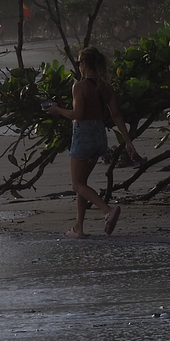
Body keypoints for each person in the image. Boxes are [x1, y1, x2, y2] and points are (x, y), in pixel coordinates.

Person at [43, 47, 138, 238]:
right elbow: (116, 114)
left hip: (83, 134)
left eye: (79, 63)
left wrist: (57, 110)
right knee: (83, 183)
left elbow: (77, 115)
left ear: (84, 65)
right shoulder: (105, 87)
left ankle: (107, 211)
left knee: (77, 185)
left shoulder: (79, 86)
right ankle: (79, 227)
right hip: (99, 136)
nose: (79, 67)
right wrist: (128, 141)